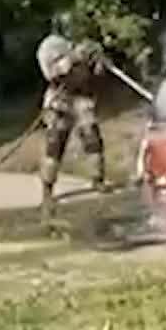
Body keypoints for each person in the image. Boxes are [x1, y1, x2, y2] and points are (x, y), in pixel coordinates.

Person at [35, 13, 110, 223]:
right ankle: (47, 191)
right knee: (55, 145)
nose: (72, 28)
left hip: (82, 98)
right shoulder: (49, 47)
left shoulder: (82, 44)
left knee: (92, 137)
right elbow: (53, 72)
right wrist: (76, 57)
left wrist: (98, 61)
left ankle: (98, 179)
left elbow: (97, 73)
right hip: (60, 100)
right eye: (68, 25)